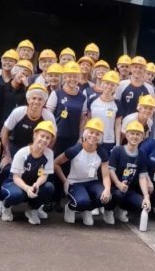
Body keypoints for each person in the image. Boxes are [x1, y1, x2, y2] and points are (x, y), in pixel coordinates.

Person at [0, 83, 56, 216]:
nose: (36, 102)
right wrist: (6, 153)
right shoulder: (19, 112)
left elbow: (53, 137)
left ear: (44, 102)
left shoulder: (48, 116)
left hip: (37, 149)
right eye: (33, 98)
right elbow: (5, 131)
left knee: (44, 178)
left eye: (40, 99)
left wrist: (45, 153)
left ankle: (34, 207)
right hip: (16, 146)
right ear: (28, 99)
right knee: (7, 168)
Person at [54, 118, 116, 226]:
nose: (93, 136)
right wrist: (64, 181)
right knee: (82, 201)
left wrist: (107, 189)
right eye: (91, 132)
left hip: (92, 182)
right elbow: (56, 163)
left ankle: (87, 210)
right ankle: (70, 208)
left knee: (106, 197)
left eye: (97, 133)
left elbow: (106, 175)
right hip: (75, 182)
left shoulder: (102, 152)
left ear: (100, 136)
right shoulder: (75, 149)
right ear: (85, 133)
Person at [46, 61, 87, 210]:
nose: (72, 79)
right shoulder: (56, 94)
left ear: (79, 77)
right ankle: (48, 199)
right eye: (69, 76)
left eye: (75, 76)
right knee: (51, 166)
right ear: (65, 77)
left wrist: (81, 136)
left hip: (72, 138)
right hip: (57, 137)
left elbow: (83, 118)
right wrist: (50, 134)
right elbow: (49, 116)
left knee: (66, 168)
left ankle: (57, 200)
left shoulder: (82, 97)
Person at [0, 120, 55, 224]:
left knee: (49, 187)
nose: (44, 140)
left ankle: (33, 209)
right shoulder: (22, 153)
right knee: (16, 195)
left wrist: (37, 184)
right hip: (15, 183)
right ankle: (6, 206)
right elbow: (16, 177)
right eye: (42, 136)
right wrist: (26, 188)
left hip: (33, 184)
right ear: (35, 135)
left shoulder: (49, 154)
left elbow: (44, 175)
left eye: (48, 138)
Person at [109, 121, 151, 223]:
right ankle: (108, 210)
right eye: (132, 133)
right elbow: (111, 170)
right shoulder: (118, 150)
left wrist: (146, 197)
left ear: (142, 137)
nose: (134, 136)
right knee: (118, 194)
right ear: (127, 135)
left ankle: (122, 209)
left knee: (143, 205)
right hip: (115, 188)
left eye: (138, 134)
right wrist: (118, 184)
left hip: (130, 189)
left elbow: (142, 177)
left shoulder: (142, 154)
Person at [0, 60, 33, 135]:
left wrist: (27, 86)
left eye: (27, 76)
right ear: (16, 71)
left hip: (15, 131)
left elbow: (31, 104)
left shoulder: (26, 93)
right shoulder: (2, 88)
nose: (23, 77)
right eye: (23, 74)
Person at [87, 70, 122, 155]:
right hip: (92, 138)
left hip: (108, 140)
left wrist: (117, 143)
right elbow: (88, 119)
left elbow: (117, 125)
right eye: (107, 83)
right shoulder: (92, 100)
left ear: (116, 87)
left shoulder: (117, 104)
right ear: (102, 83)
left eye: (112, 85)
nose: (109, 87)